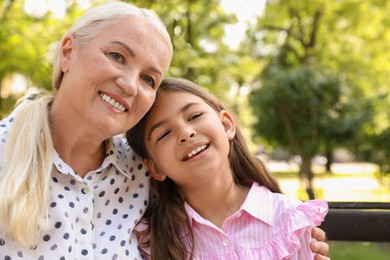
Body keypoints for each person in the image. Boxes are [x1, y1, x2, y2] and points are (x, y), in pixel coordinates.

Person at [0, 1, 329, 259]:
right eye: (117, 56)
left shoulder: (139, 168)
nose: (129, 84)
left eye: (148, 79)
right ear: (68, 52)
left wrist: (285, 232)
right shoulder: (6, 152)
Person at [126, 78, 329, 259]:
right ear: (155, 167)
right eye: (164, 133)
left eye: (194, 116)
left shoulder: (290, 221)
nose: (186, 133)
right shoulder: (151, 240)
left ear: (226, 125)